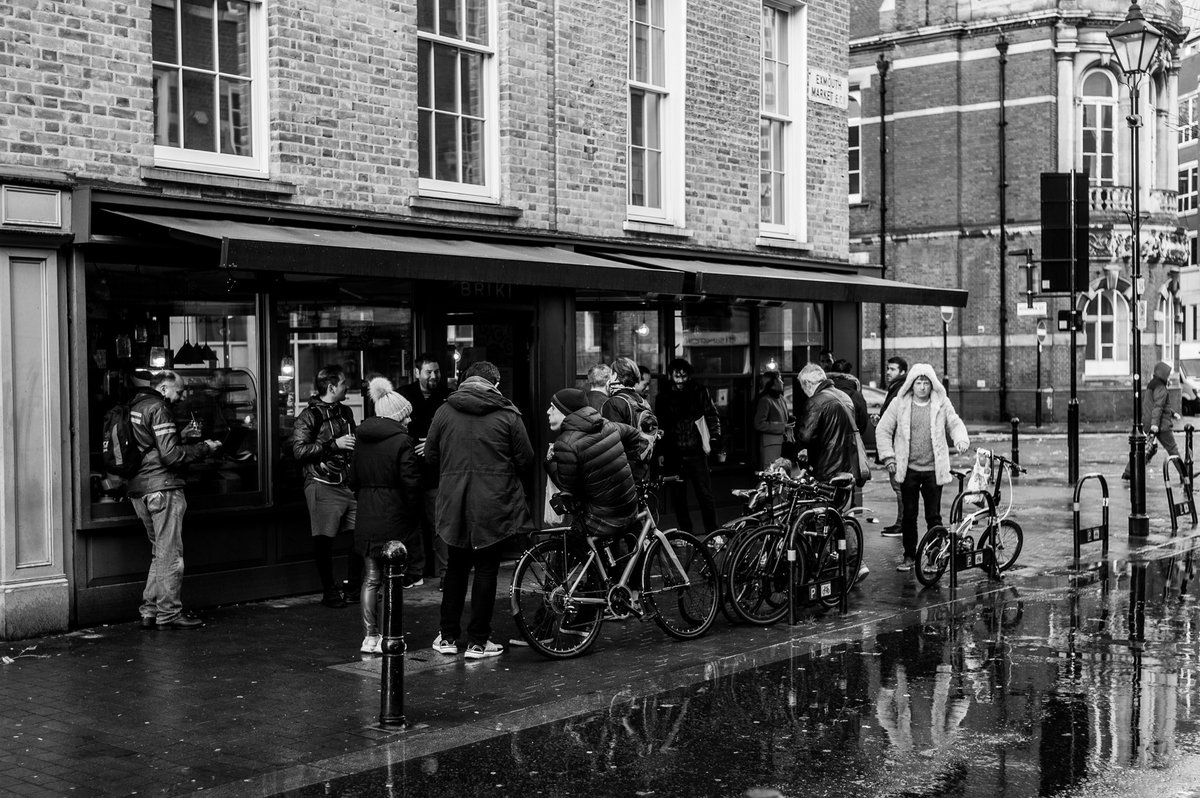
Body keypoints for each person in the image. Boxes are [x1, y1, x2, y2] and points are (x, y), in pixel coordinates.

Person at [426, 361, 535, 660]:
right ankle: (478, 641)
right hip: (494, 500)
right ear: (495, 384)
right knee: (487, 568)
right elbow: (526, 459)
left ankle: (447, 636)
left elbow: (431, 455)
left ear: (466, 380)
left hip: (454, 499)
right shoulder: (508, 414)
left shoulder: (444, 411)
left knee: (456, 567)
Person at [128, 370, 221, 630]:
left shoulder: (135, 405)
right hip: (162, 488)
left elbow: (152, 445)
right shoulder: (159, 407)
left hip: (139, 490)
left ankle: (149, 611)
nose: (180, 397)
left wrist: (179, 434)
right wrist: (205, 448)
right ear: (164, 387)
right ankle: (169, 613)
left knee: (159, 552)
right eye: (178, 391)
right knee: (170, 555)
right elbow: (170, 456)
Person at [875, 364, 970, 572]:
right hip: (908, 469)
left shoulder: (941, 403)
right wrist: (889, 457)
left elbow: (954, 423)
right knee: (909, 516)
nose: (922, 387)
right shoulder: (899, 403)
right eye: (918, 382)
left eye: (926, 383)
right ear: (911, 383)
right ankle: (909, 556)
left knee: (933, 516)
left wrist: (961, 439)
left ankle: (934, 558)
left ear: (932, 384)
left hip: (933, 471)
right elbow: (883, 429)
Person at [349, 377, 420, 655]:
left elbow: (353, 479)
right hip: (394, 515)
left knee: (371, 577)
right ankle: (390, 635)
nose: (410, 420)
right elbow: (411, 484)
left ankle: (370, 636)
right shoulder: (402, 442)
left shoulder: (361, 439)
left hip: (367, 512)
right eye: (406, 415)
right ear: (397, 415)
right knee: (392, 579)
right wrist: (414, 514)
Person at [292, 364, 359, 609]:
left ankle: (353, 589)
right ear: (331, 387)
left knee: (360, 536)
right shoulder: (309, 415)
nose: (347, 387)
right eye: (343, 383)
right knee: (324, 541)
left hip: (346, 483)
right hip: (322, 484)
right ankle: (330, 592)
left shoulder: (345, 411)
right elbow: (298, 451)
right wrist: (333, 445)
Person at [546, 388, 647, 537]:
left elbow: (567, 486)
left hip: (604, 520)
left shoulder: (566, 442)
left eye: (553, 407)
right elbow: (634, 435)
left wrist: (550, 461)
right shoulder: (607, 425)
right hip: (629, 508)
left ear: (566, 412)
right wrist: (627, 468)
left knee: (573, 540)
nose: (548, 412)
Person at [398, 353, 450, 587]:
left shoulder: (448, 396)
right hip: (409, 470)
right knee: (412, 524)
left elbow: (453, 431)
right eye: (429, 372)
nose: (434, 376)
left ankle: (446, 574)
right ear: (417, 372)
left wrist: (433, 443)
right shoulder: (403, 395)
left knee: (439, 524)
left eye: (437, 371)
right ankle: (415, 572)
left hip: (435, 472)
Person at [656, 357, 722, 535]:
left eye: (684, 376)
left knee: (705, 494)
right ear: (671, 375)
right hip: (674, 453)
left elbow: (711, 415)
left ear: (689, 376)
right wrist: (661, 451)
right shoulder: (663, 397)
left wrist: (715, 437)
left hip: (696, 450)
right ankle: (687, 534)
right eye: (677, 376)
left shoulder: (699, 391)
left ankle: (712, 532)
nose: (680, 381)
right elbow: (660, 425)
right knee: (679, 498)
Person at [796, 363, 857, 483]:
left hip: (826, 468)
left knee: (823, 495)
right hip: (847, 467)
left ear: (807, 384)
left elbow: (806, 437)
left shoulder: (816, 401)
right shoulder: (844, 396)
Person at [1122, 360, 1182, 479]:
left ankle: (1129, 472)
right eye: (1167, 374)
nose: (1168, 376)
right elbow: (1158, 407)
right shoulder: (1161, 387)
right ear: (1163, 374)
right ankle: (1184, 474)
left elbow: (1158, 405)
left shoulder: (1152, 385)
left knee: (1146, 449)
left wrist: (1172, 413)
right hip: (1161, 425)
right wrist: (1155, 425)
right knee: (1172, 449)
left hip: (1149, 422)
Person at [602, 357, 659, 478]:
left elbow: (612, 442)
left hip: (623, 472)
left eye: (611, 374)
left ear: (616, 375)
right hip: (642, 468)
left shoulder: (614, 403)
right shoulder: (641, 401)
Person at [878, 356, 909, 538]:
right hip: (896, 446)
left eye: (892, 369)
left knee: (900, 488)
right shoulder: (896, 387)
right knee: (899, 488)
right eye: (888, 368)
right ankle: (901, 522)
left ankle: (902, 524)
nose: (888, 372)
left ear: (902, 372)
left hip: (898, 448)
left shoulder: (900, 389)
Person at [753, 370, 791, 469]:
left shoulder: (781, 398)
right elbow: (759, 424)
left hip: (783, 444)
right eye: (779, 379)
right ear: (772, 384)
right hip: (770, 446)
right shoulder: (765, 400)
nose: (782, 382)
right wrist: (782, 426)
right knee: (771, 473)